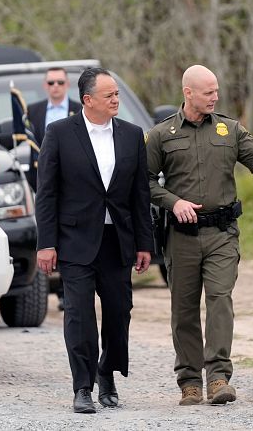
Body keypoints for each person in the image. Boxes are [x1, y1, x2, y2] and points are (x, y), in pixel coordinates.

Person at [146, 64, 253, 406]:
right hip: (181, 236)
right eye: (208, 92)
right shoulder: (162, 134)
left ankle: (218, 377)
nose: (215, 97)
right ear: (188, 93)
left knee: (220, 300)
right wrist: (173, 202)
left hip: (222, 234)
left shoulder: (229, 129)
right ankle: (189, 381)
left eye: (216, 90)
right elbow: (143, 182)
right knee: (184, 309)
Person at [35, 67, 153, 414]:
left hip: (116, 240)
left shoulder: (132, 135)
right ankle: (83, 386)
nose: (116, 99)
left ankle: (107, 370)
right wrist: (46, 242)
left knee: (119, 312)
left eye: (117, 94)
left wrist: (144, 243)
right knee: (79, 315)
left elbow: (139, 194)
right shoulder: (59, 134)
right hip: (74, 241)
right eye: (109, 95)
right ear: (88, 100)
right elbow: (47, 193)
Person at [26, 67, 82, 189]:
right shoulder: (33, 110)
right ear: (45, 85)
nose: (55, 86)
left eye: (60, 82)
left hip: (72, 176)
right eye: (51, 82)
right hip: (41, 176)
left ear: (67, 84)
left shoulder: (80, 110)